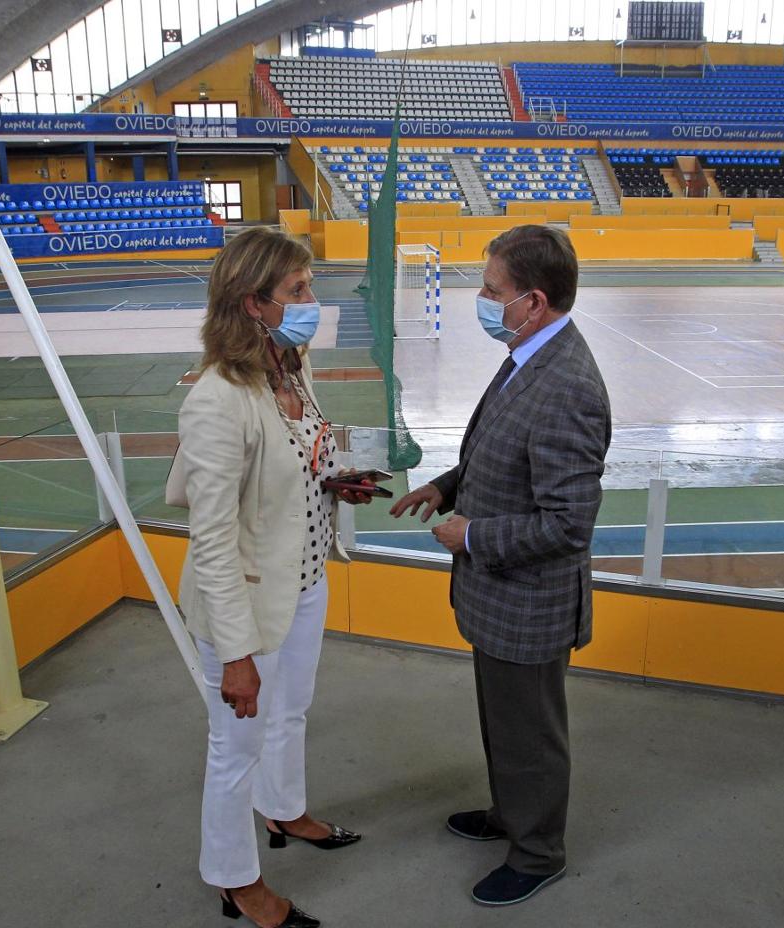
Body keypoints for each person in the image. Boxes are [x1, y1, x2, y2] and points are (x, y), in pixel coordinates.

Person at [390, 224, 611, 907]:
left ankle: (538, 850)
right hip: (499, 598)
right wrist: (446, 487)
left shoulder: (568, 385)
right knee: (504, 722)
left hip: (529, 601)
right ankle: (512, 812)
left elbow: (568, 523)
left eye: (492, 292)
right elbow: (498, 448)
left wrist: (474, 535)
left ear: (534, 302)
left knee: (530, 732)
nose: (483, 302)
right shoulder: (529, 353)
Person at [176, 227, 371, 928]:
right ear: (254, 302)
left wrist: (339, 474)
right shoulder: (216, 402)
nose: (312, 300)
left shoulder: (290, 365)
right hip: (246, 604)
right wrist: (235, 654)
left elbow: (311, 439)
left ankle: (285, 809)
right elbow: (214, 540)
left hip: (305, 579)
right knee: (234, 747)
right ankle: (234, 878)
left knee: (292, 711)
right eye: (299, 290)